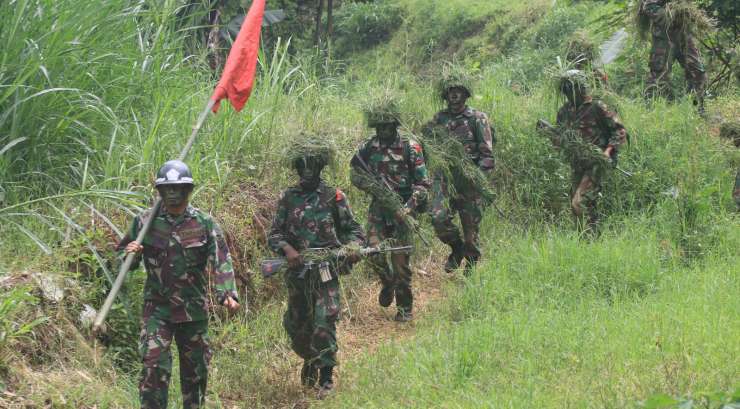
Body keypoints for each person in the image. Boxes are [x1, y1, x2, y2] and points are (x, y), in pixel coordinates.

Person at [117, 160, 240, 409]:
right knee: (153, 367)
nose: (172, 193)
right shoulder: (144, 222)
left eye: (178, 188)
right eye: (167, 188)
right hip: (157, 310)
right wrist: (131, 254)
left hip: (192, 311)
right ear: (160, 191)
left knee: (196, 373)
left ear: (188, 190)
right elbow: (122, 259)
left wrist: (227, 293)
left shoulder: (204, 223)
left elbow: (221, 259)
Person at [267, 135, 364, 399]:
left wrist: (353, 248)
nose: (307, 170)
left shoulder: (334, 196)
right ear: (296, 167)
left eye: (313, 164)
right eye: (302, 165)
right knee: (297, 326)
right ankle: (310, 357)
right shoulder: (288, 198)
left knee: (325, 321)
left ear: (321, 166)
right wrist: (288, 250)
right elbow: (274, 234)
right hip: (298, 274)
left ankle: (326, 377)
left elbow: (355, 231)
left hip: (326, 272)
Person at [350, 95, 429, 322]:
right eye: (379, 127)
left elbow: (423, 184)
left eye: (387, 126)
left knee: (401, 265)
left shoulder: (410, 147)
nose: (383, 131)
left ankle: (404, 308)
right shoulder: (368, 147)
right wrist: (371, 186)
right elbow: (354, 173)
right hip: (378, 210)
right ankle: (387, 282)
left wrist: (408, 208)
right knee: (372, 253)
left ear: (395, 125)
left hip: (403, 211)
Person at [426, 71, 495, 274]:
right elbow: (428, 146)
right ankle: (456, 249)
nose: (454, 95)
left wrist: (478, 178)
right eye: (450, 91)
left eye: (458, 91)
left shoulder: (477, 118)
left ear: (465, 94)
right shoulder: (438, 119)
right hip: (445, 179)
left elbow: (487, 156)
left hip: (470, 181)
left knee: (471, 232)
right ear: (445, 95)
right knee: (438, 218)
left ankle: (471, 268)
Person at [550, 70, 628, 234]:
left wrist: (607, 152)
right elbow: (559, 136)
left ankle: (588, 236)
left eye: (571, 90)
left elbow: (619, 131)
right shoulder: (564, 111)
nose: (569, 95)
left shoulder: (597, 107)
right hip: (577, 163)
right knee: (581, 204)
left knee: (579, 202)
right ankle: (587, 238)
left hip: (596, 162)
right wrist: (557, 141)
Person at [639, 0, 707, 113]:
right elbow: (648, 6)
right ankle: (652, 111)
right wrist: (670, 16)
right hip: (664, 40)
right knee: (659, 76)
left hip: (684, 37)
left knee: (698, 72)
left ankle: (697, 108)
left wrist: (687, 12)